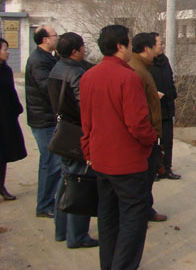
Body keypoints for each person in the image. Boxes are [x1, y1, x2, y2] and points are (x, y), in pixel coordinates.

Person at [80, 25, 157, 270]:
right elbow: (138, 123)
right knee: (133, 217)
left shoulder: (89, 76)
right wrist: (151, 140)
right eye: (129, 43)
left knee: (108, 216)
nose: (131, 48)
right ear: (120, 46)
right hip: (127, 163)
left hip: (100, 159)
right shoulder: (127, 77)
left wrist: (88, 149)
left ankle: (109, 264)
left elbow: (86, 121)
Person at [47, 32, 98, 249]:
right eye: (83, 47)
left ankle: (61, 231)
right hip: (77, 132)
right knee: (80, 183)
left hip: (63, 130)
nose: (85, 50)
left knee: (66, 181)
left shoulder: (56, 69)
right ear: (76, 51)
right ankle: (77, 235)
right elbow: (84, 106)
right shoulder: (76, 73)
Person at [129, 32, 166, 222]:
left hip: (149, 131)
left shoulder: (143, 67)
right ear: (146, 49)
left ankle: (145, 209)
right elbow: (137, 108)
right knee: (142, 178)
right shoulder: (136, 70)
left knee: (147, 176)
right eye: (155, 46)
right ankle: (140, 214)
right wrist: (149, 135)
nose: (157, 49)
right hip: (144, 133)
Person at [25, 25, 60, 218]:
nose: (57, 38)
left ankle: (47, 202)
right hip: (43, 119)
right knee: (50, 162)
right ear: (45, 40)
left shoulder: (49, 57)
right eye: (55, 35)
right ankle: (44, 205)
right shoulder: (38, 60)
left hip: (48, 117)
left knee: (51, 162)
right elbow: (47, 88)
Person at [148, 32, 181, 180]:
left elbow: (170, 79)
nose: (162, 46)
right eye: (159, 43)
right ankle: (153, 169)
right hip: (153, 110)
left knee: (167, 141)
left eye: (162, 43)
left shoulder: (165, 61)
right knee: (153, 142)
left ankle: (166, 168)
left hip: (167, 106)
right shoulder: (147, 64)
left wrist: (172, 93)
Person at [0, 37, 27, 201]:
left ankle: (1, 186)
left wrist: (17, 108)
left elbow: (11, 92)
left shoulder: (7, 70)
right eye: (5, 49)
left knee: (2, 155)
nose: (8, 52)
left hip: (5, 119)